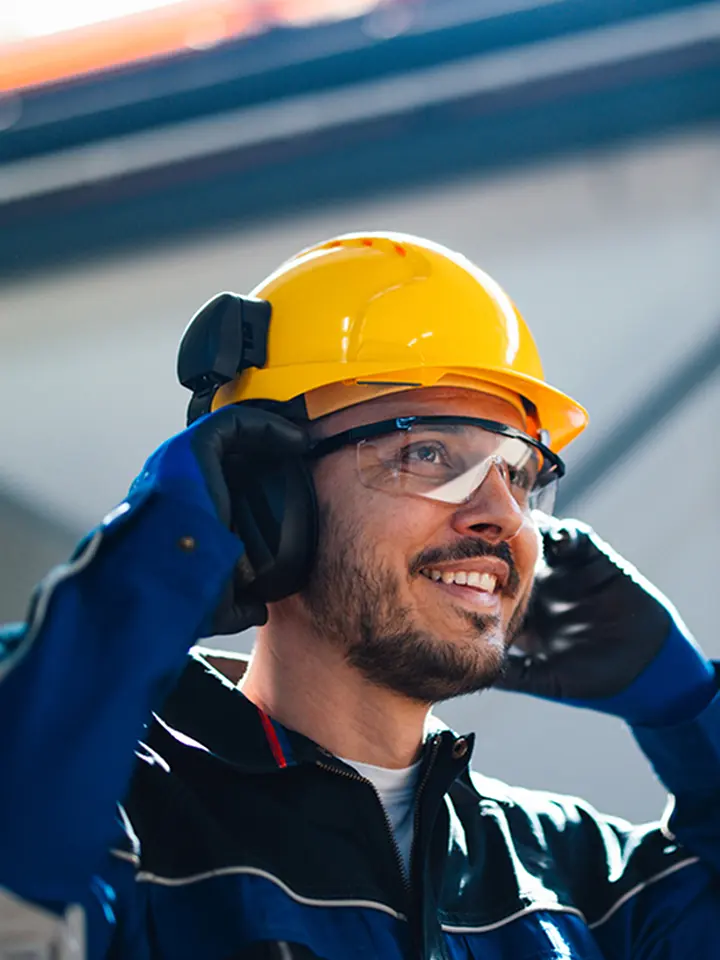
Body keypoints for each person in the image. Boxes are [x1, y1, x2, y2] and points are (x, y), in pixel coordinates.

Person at [1, 233, 718, 960]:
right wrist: (135, 597)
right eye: (429, 452)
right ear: (267, 497)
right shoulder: (124, 821)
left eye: (520, 475)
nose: (503, 516)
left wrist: (690, 707)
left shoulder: (581, 885)